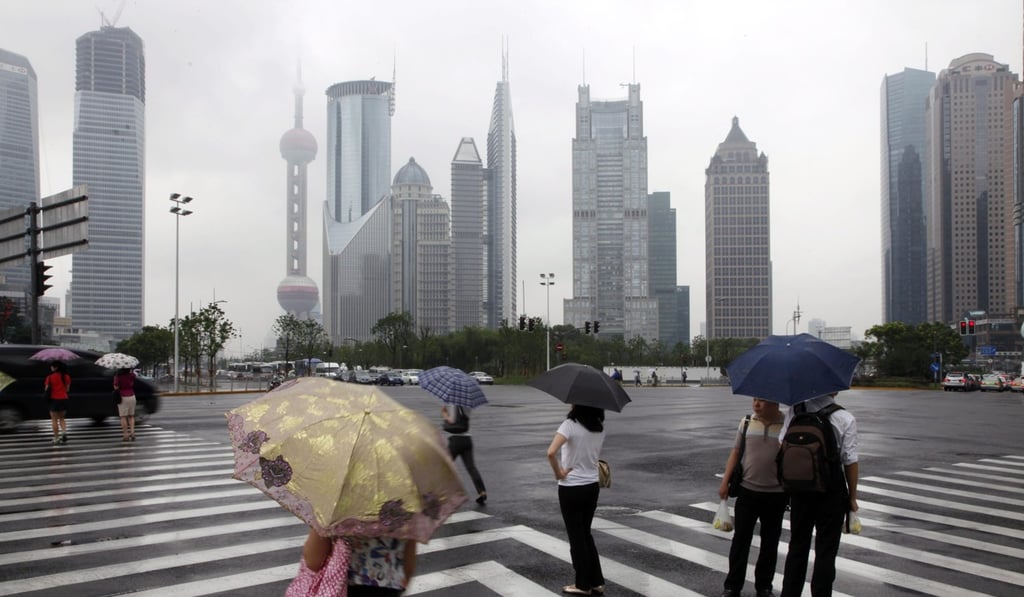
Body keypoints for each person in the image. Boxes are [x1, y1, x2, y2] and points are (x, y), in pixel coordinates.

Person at [780, 393, 859, 597]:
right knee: (826, 551)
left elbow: (782, 445)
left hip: (800, 491)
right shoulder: (844, 417)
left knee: (797, 546)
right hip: (831, 492)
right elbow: (849, 460)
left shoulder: (795, 411)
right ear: (834, 390)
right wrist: (852, 498)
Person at [718, 398, 787, 597]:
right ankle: (732, 586)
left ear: (775, 403)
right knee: (740, 541)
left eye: (762, 401)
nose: (756, 404)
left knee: (770, 543)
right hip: (747, 491)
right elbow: (735, 452)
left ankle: (764, 587)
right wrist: (725, 481)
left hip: (776, 494)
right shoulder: (746, 422)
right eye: (755, 400)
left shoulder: (786, 425)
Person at [546, 405, 606, 596]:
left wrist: (559, 473)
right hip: (592, 486)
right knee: (586, 534)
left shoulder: (569, 425)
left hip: (571, 487)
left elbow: (550, 452)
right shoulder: (599, 427)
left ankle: (582, 584)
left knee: (576, 537)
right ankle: (596, 581)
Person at [288, 528, 417, 596]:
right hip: (389, 589)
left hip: (343, 588)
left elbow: (313, 560)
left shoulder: (340, 502)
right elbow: (408, 567)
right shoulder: (406, 504)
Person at [441, 403, 487, 505]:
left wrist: (444, 413)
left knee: (444, 466)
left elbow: (452, 421)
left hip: (456, 440)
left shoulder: (452, 405)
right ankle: (481, 491)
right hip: (467, 440)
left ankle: (442, 495)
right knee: (471, 467)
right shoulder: (467, 405)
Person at [44, 361, 71, 445]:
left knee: (54, 420)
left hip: (54, 400)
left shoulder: (50, 377)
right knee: (62, 418)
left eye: (52, 366)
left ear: (56, 368)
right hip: (64, 399)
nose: (51, 368)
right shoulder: (67, 377)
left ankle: (56, 438)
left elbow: (46, 389)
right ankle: (64, 433)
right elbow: (67, 390)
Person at [114, 367, 137, 442]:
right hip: (132, 396)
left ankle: (125, 435)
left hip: (123, 397)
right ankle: (132, 432)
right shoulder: (132, 375)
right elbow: (132, 384)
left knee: (123, 416)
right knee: (131, 416)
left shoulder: (118, 376)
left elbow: (116, 387)